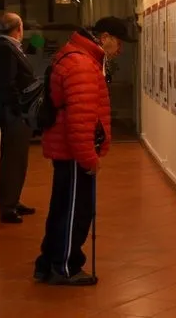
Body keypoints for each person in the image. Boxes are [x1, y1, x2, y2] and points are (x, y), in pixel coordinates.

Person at [34, 17, 131, 286]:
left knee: (62, 206)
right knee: (76, 210)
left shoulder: (77, 56)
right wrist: (88, 157)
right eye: (119, 43)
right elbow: (80, 118)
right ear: (106, 37)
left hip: (67, 150)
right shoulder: (82, 65)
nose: (119, 50)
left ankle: (48, 262)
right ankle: (64, 266)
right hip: (73, 152)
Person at [0, 12, 37, 224]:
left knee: (18, 161)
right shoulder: (4, 50)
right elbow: (8, 85)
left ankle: (13, 200)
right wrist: (21, 109)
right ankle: (7, 207)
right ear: (19, 28)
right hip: (14, 113)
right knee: (11, 161)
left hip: (17, 112)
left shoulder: (9, 48)